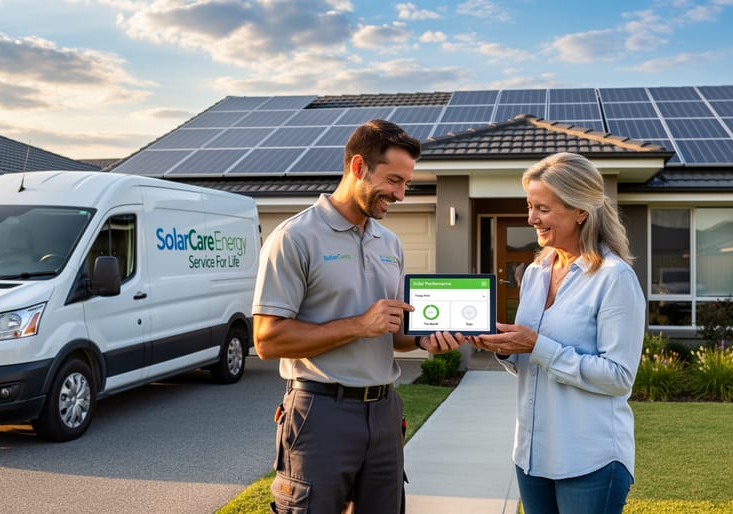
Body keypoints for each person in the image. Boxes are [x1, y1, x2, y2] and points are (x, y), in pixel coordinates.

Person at [252, 119, 464, 514]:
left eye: (407, 184)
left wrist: (422, 338)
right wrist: (358, 326)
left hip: (385, 412)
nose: (401, 194)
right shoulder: (295, 237)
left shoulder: (391, 242)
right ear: (358, 168)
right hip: (319, 412)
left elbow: (392, 332)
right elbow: (266, 340)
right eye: (394, 181)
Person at [469, 152, 646, 514]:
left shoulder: (614, 278)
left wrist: (537, 346)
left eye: (543, 209)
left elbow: (619, 377)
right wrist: (503, 349)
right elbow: (530, 364)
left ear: (581, 210)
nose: (531, 218)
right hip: (532, 456)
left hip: (589, 459)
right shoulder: (535, 273)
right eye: (530, 206)